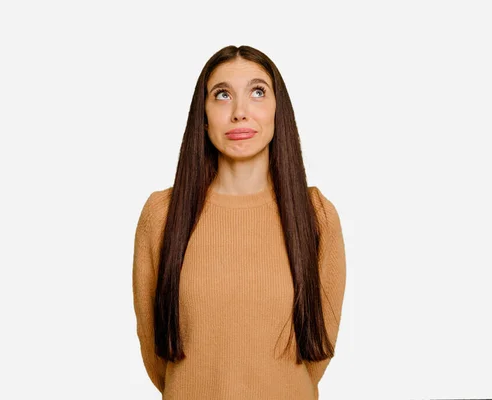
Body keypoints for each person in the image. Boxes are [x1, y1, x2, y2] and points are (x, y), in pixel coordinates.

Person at [132, 45, 346, 399]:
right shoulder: (161, 215)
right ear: (203, 114)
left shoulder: (316, 215)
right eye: (222, 95)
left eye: (257, 92)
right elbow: (155, 350)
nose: (240, 112)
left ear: (279, 110)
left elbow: (317, 351)